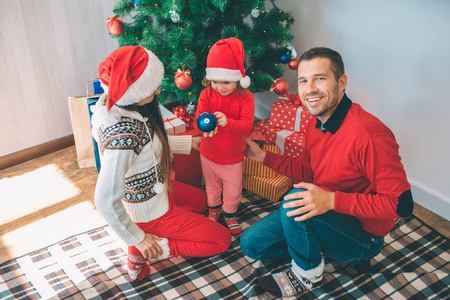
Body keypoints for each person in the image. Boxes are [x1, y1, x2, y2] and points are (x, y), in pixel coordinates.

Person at [241, 47, 414, 297]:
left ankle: (308, 275)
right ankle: (318, 246)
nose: (309, 89)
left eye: (319, 79)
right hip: (327, 216)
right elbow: (311, 173)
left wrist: (331, 200)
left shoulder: (370, 135)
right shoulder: (316, 121)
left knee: (293, 202)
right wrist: (262, 156)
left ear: (341, 82)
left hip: (364, 236)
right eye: (303, 81)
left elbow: (402, 205)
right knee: (252, 244)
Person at [91, 46, 231, 282]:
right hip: (148, 210)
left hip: (158, 191)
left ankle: (155, 232)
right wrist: (137, 239)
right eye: (152, 86)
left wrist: (189, 144)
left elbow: (147, 145)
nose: (159, 89)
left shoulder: (120, 106)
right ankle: (151, 250)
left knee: (202, 202)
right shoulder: (122, 137)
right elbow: (104, 200)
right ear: (134, 92)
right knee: (221, 239)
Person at [194, 37, 255, 235]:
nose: (220, 87)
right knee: (212, 187)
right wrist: (203, 126)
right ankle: (214, 211)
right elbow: (198, 119)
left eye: (226, 82)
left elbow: (246, 126)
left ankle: (230, 215)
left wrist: (228, 122)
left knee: (233, 189)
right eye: (215, 81)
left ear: (238, 79)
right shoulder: (206, 95)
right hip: (208, 155)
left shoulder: (246, 97)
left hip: (232, 159)